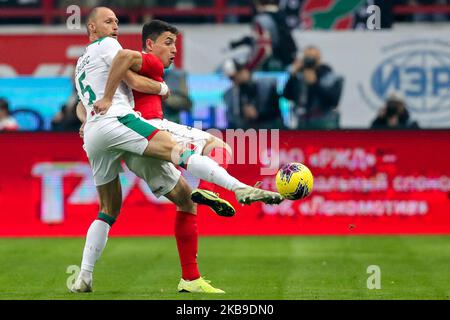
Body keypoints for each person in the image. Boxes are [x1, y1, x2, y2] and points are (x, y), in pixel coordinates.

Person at [71, 7, 283, 294]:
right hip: (123, 123)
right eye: (108, 21)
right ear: (91, 28)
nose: (115, 26)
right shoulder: (114, 48)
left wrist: (87, 121)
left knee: (112, 209)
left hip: (96, 134)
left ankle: (85, 277)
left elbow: (81, 105)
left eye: (117, 22)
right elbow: (127, 68)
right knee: (190, 149)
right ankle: (239, 188)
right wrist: (158, 91)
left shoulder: (80, 64)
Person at [282, 46, 343, 129]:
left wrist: (315, 84)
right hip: (302, 120)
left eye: (312, 58)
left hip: (323, 120)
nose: (310, 61)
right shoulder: (299, 75)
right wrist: (292, 76)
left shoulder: (326, 74)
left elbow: (333, 100)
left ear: (319, 59)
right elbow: (286, 95)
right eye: (307, 57)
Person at [229, 0, 297, 72]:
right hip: (286, 60)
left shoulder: (261, 18)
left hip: (271, 64)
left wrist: (249, 68)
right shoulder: (280, 15)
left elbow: (263, 49)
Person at [222, 58, 283, 129]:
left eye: (233, 78)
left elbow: (276, 114)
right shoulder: (233, 93)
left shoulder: (267, 86)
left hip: (269, 131)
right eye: (230, 79)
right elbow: (234, 118)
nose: (234, 81)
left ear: (243, 71)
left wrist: (258, 114)